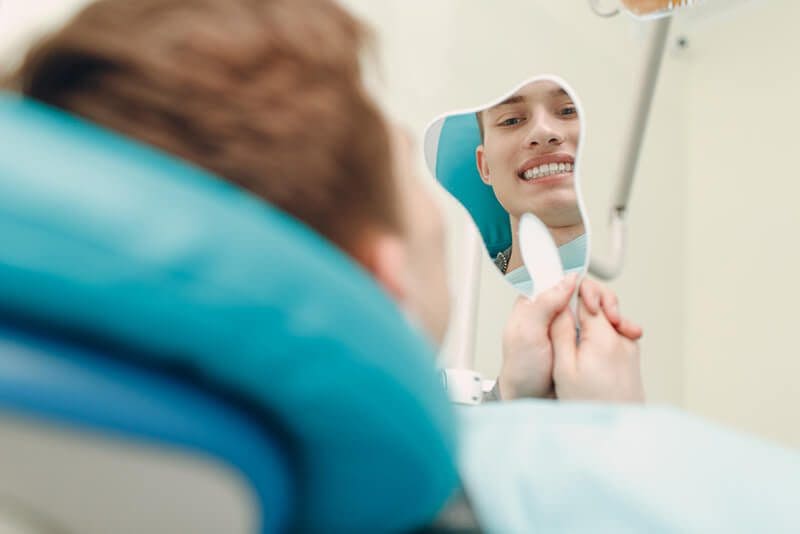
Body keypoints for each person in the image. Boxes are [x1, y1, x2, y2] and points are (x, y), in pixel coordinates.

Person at [14, 2, 798, 532]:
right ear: (382, 275)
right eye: (411, 180)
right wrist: (615, 437)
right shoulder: (614, 473)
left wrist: (519, 403)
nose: (547, 135)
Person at [475, 80, 586, 293]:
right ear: (485, 166)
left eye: (569, 110)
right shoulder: (466, 298)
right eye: (511, 120)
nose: (542, 132)